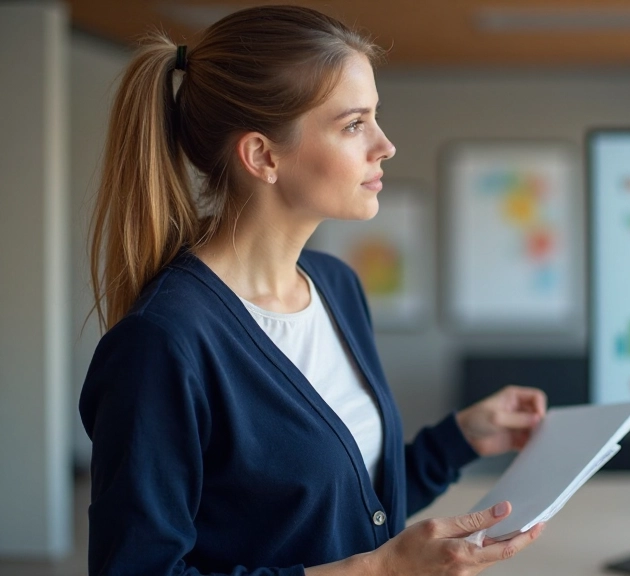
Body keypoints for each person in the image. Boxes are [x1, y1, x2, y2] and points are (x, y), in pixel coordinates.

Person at [79, 5, 547, 575]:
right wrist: (378, 571)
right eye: (353, 125)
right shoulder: (163, 341)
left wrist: (460, 439)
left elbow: (331, 508)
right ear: (263, 156)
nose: (385, 145)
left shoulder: (336, 286)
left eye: (375, 117)